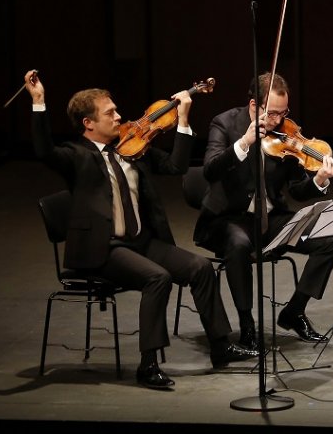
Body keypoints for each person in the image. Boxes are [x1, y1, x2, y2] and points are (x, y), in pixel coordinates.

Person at [27, 71, 257, 390]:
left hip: (141, 242)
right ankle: (148, 365)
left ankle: (221, 347)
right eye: (110, 113)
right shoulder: (76, 156)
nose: (120, 116)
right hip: (103, 248)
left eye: (117, 110)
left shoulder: (133, 148)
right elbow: (43, 152)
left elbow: (176, 166)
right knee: (157, 277)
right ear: (88, 124)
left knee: (201, 268)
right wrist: (39, 101)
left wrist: (183, 119)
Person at [195, 73, 333, 348]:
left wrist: (319, 179)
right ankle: (247, 324)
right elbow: (210, 169)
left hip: (271, 219)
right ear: (254, 106)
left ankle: (295, 311)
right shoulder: (224, 123)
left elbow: (297, 190)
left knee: (328, 238)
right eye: (272, 113)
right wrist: (245, 142)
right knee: (238, 244)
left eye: (283, 112)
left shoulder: (286, 132)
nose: (278, 120)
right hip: (227, 219)